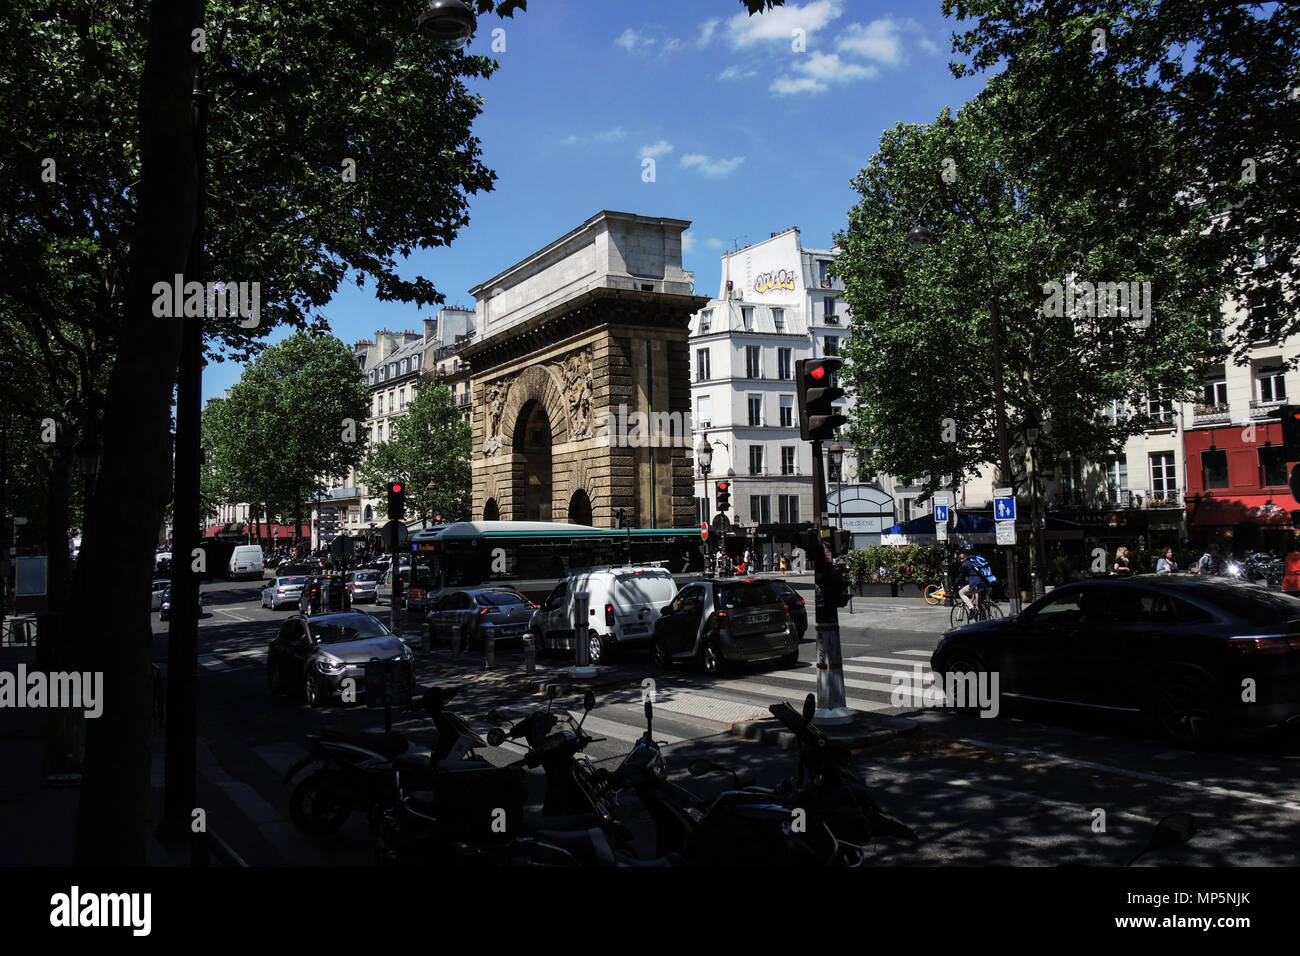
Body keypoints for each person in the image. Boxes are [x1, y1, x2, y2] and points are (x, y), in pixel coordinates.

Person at [956, 548, 990, 613]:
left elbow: (961, 577)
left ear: (966, 556)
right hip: (987, 583)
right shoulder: (976, 561)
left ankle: (972, 609)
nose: (961, 560)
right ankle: (983, 617)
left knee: (961, 592)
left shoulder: (966, 564)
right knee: (980, 603)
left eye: (962, 558)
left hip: (977, 584)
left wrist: (955, 585)